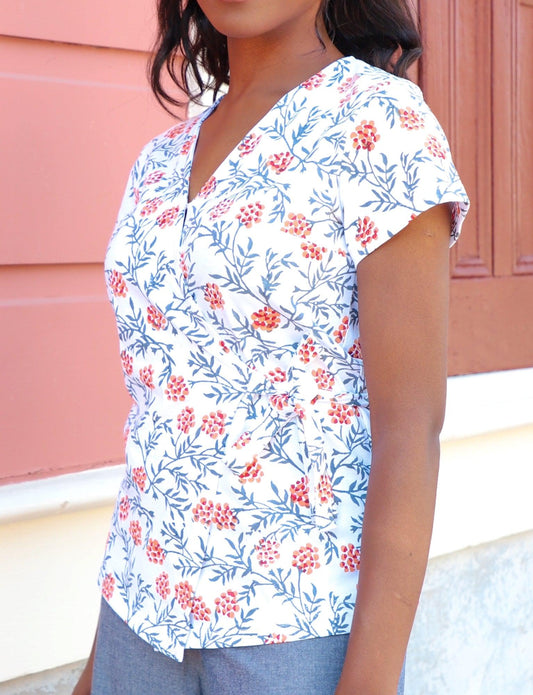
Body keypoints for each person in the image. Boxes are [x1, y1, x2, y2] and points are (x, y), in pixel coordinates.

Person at [73, 1, 469, 693]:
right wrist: (98, 663)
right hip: (138, 617)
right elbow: (163, 415)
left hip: (294, 631)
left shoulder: (380, 125)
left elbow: (410, 430)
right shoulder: (159, 160)